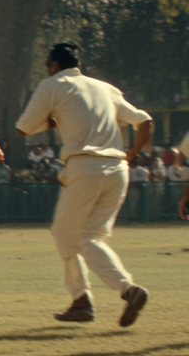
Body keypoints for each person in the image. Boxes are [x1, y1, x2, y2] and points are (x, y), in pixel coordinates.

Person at [16, 42, 153, 326]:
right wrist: (131, 154)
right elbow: (145, 122)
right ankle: (124, 291)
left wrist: (50, 121)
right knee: (89, 237)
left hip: (84, 166)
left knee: (65, 234)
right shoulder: (105, 88)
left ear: (53, 65)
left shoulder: (51, 85)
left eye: (47, 65)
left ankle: (85, 300)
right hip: (118, 168)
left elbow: (23, 128)